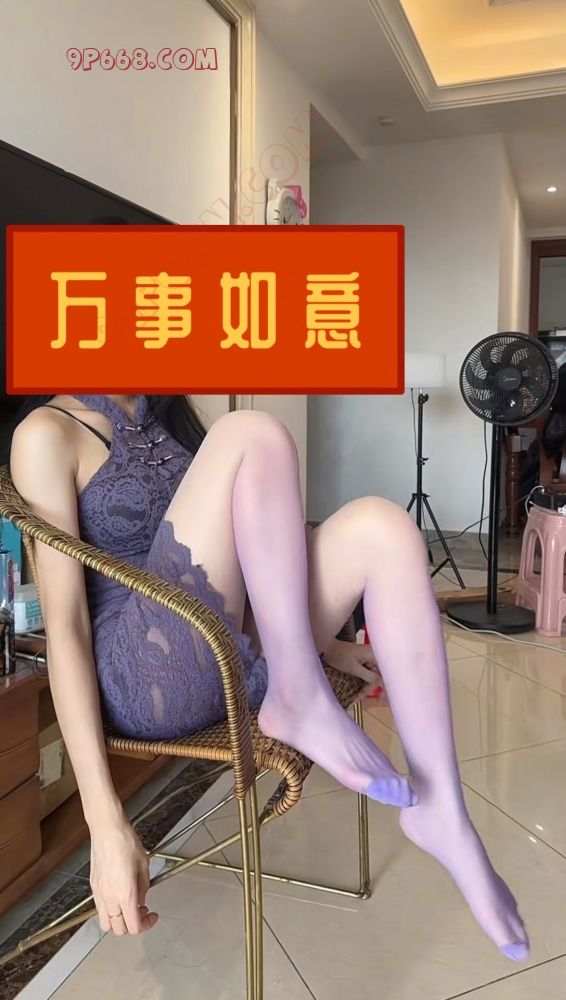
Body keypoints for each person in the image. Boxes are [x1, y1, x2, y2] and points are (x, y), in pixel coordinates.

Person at [10, 394, 529, 960]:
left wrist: (328, 644)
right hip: (145, 677)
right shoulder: (46, 433)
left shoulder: (164, 412)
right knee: (250, 431)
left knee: (384, 527)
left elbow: (240, 553)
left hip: (228, 648)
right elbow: (65, 630)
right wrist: (104, 823)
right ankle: (297, 693)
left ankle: (442, 809)